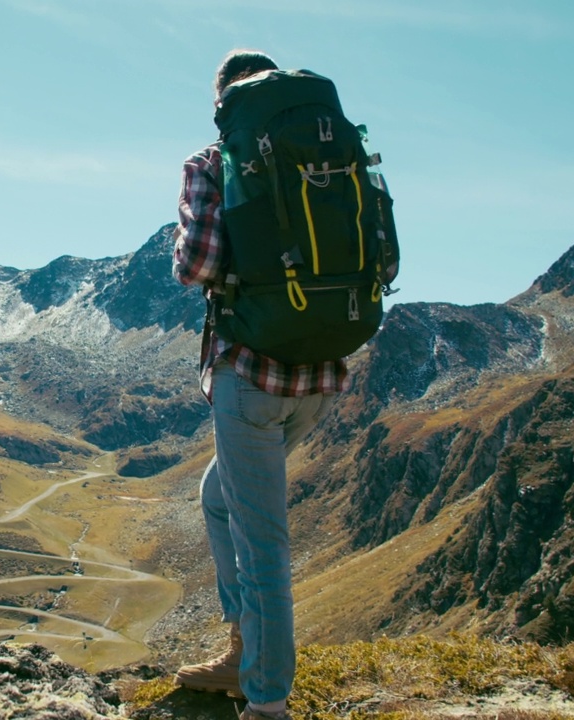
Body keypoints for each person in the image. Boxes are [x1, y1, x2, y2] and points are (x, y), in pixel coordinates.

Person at [170, 49, 350, 720]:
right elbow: (381, 255)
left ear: (224, 102)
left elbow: (196, 265)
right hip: (323, 371)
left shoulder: (213, 162)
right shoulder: (333, 156)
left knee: (262, 540)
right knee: (218, 495)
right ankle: (243, 649)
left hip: (252, 374)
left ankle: (265, 699)